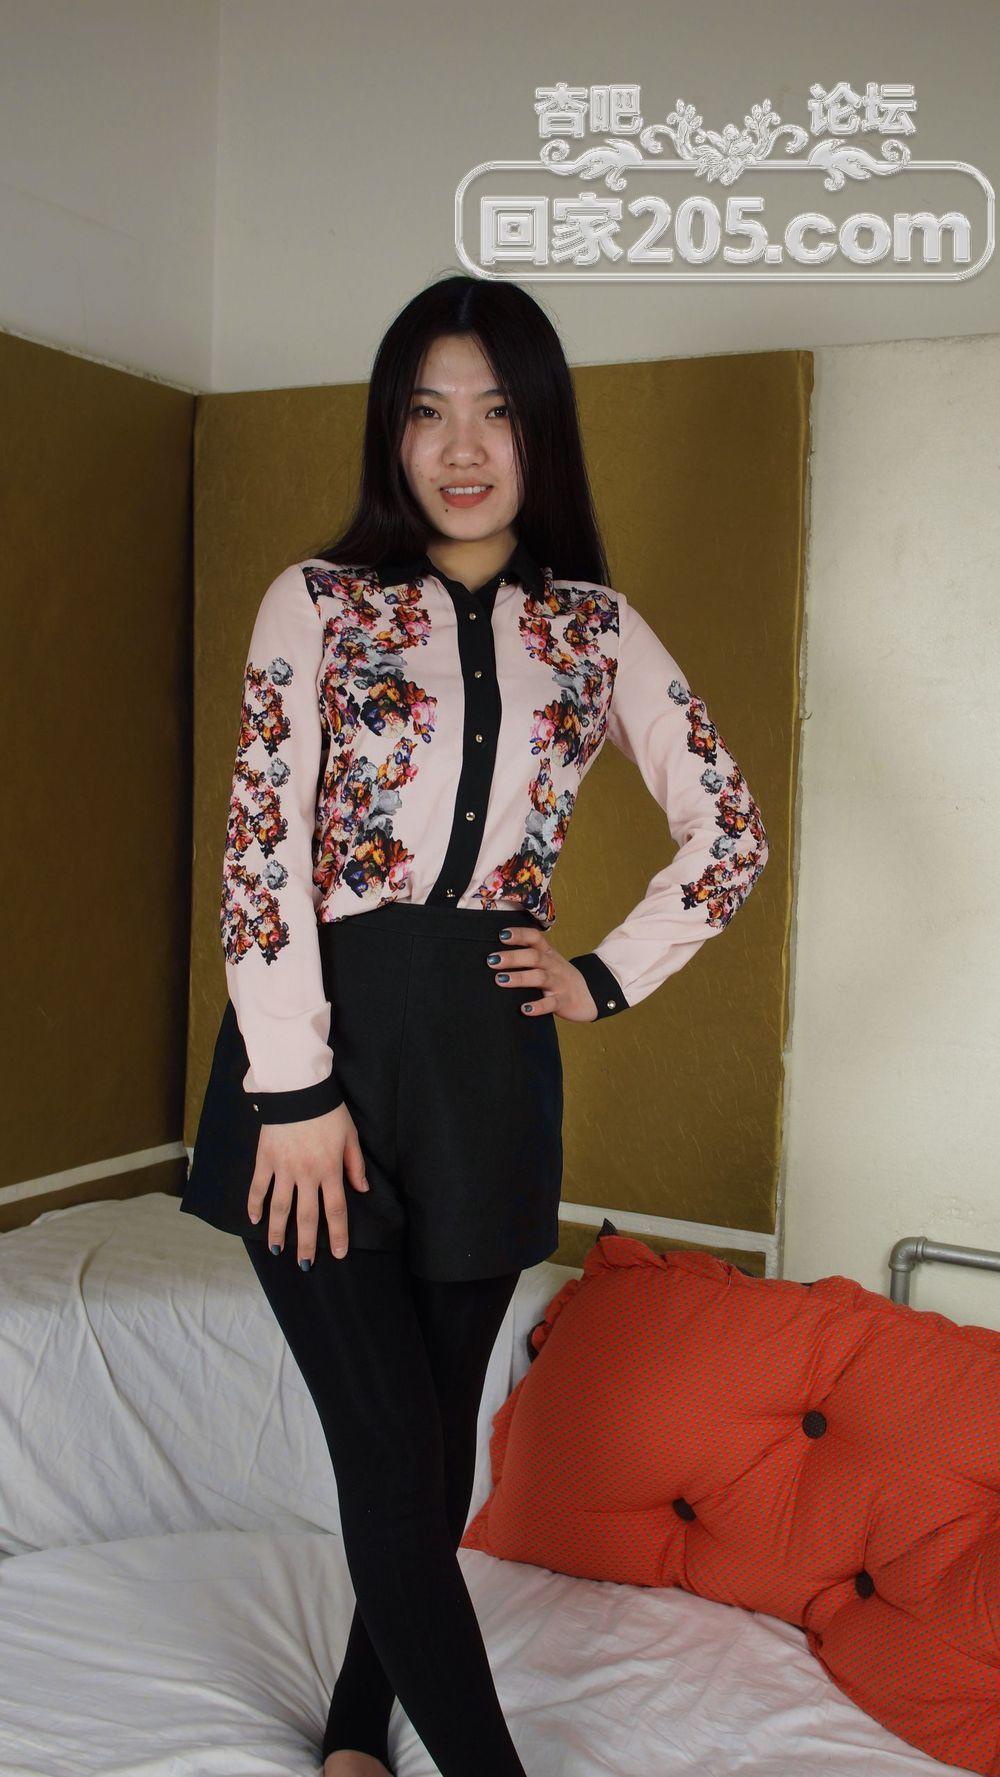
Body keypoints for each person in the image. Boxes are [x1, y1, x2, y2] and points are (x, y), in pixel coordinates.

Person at [180, 272, 769, 1777]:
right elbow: (257, 850)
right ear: (390, 430)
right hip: (314, 1064)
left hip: (487, 1079)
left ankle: (354, 1731)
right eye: (428, 410)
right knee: (391, 1460)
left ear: (541, 429)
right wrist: (292, 1089)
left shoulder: (595, 627)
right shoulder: (316, 600)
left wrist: (604, 972)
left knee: (432, 1465)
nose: (461, 446)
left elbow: (729, 831)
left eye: (497, 411)